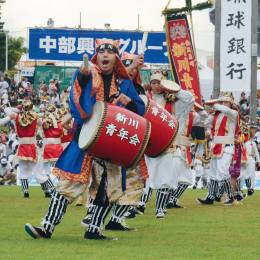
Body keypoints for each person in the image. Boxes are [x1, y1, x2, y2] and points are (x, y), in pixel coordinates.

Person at [25, 39, 145, 240]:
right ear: (95, 57)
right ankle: (46, 228)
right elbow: (77, 99)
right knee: (66, 186)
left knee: (106, 191)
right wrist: (82, 76)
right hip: (84, 141)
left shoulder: (124, 84)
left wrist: (130, 102)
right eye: (101, 52)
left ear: (116, 59)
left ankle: (94, 230)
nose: (105, 55)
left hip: (111, 145)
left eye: (110, 52)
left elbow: (139, 111)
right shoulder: (88, 75)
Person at [138, 70, 195, 218]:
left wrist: (172, 88)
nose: (156, 86)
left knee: (166, 179)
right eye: (154, 83)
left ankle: (160, 210)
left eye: (159, 83)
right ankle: (140, 206)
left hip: (169, 146)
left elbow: (190, 99)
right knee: (146, 177)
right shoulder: (146, 99)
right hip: (148, 145)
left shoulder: (176, 101)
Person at [196, 92, 239, 206]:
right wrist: (199, 110)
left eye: (226, 102)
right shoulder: (216, 114)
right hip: (215, 146)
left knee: (223, 172)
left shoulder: (233, 114)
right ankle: (210, 197)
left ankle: (230, 196)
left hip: (226, 146)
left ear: (231, 103)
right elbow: (205, 123)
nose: (224, 104)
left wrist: (213, 104)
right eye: (222, 102)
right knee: (213, 174)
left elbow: (225, 110)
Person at [13, 101, 54, 198]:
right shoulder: (37, 119)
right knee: (39, 170)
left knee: (24, 171)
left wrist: (19, 110)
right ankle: (47, 192)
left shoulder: (17, 118)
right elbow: (42, 122)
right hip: (32, 147)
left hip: (22, 147)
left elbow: (12, 111)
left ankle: (25, 193)